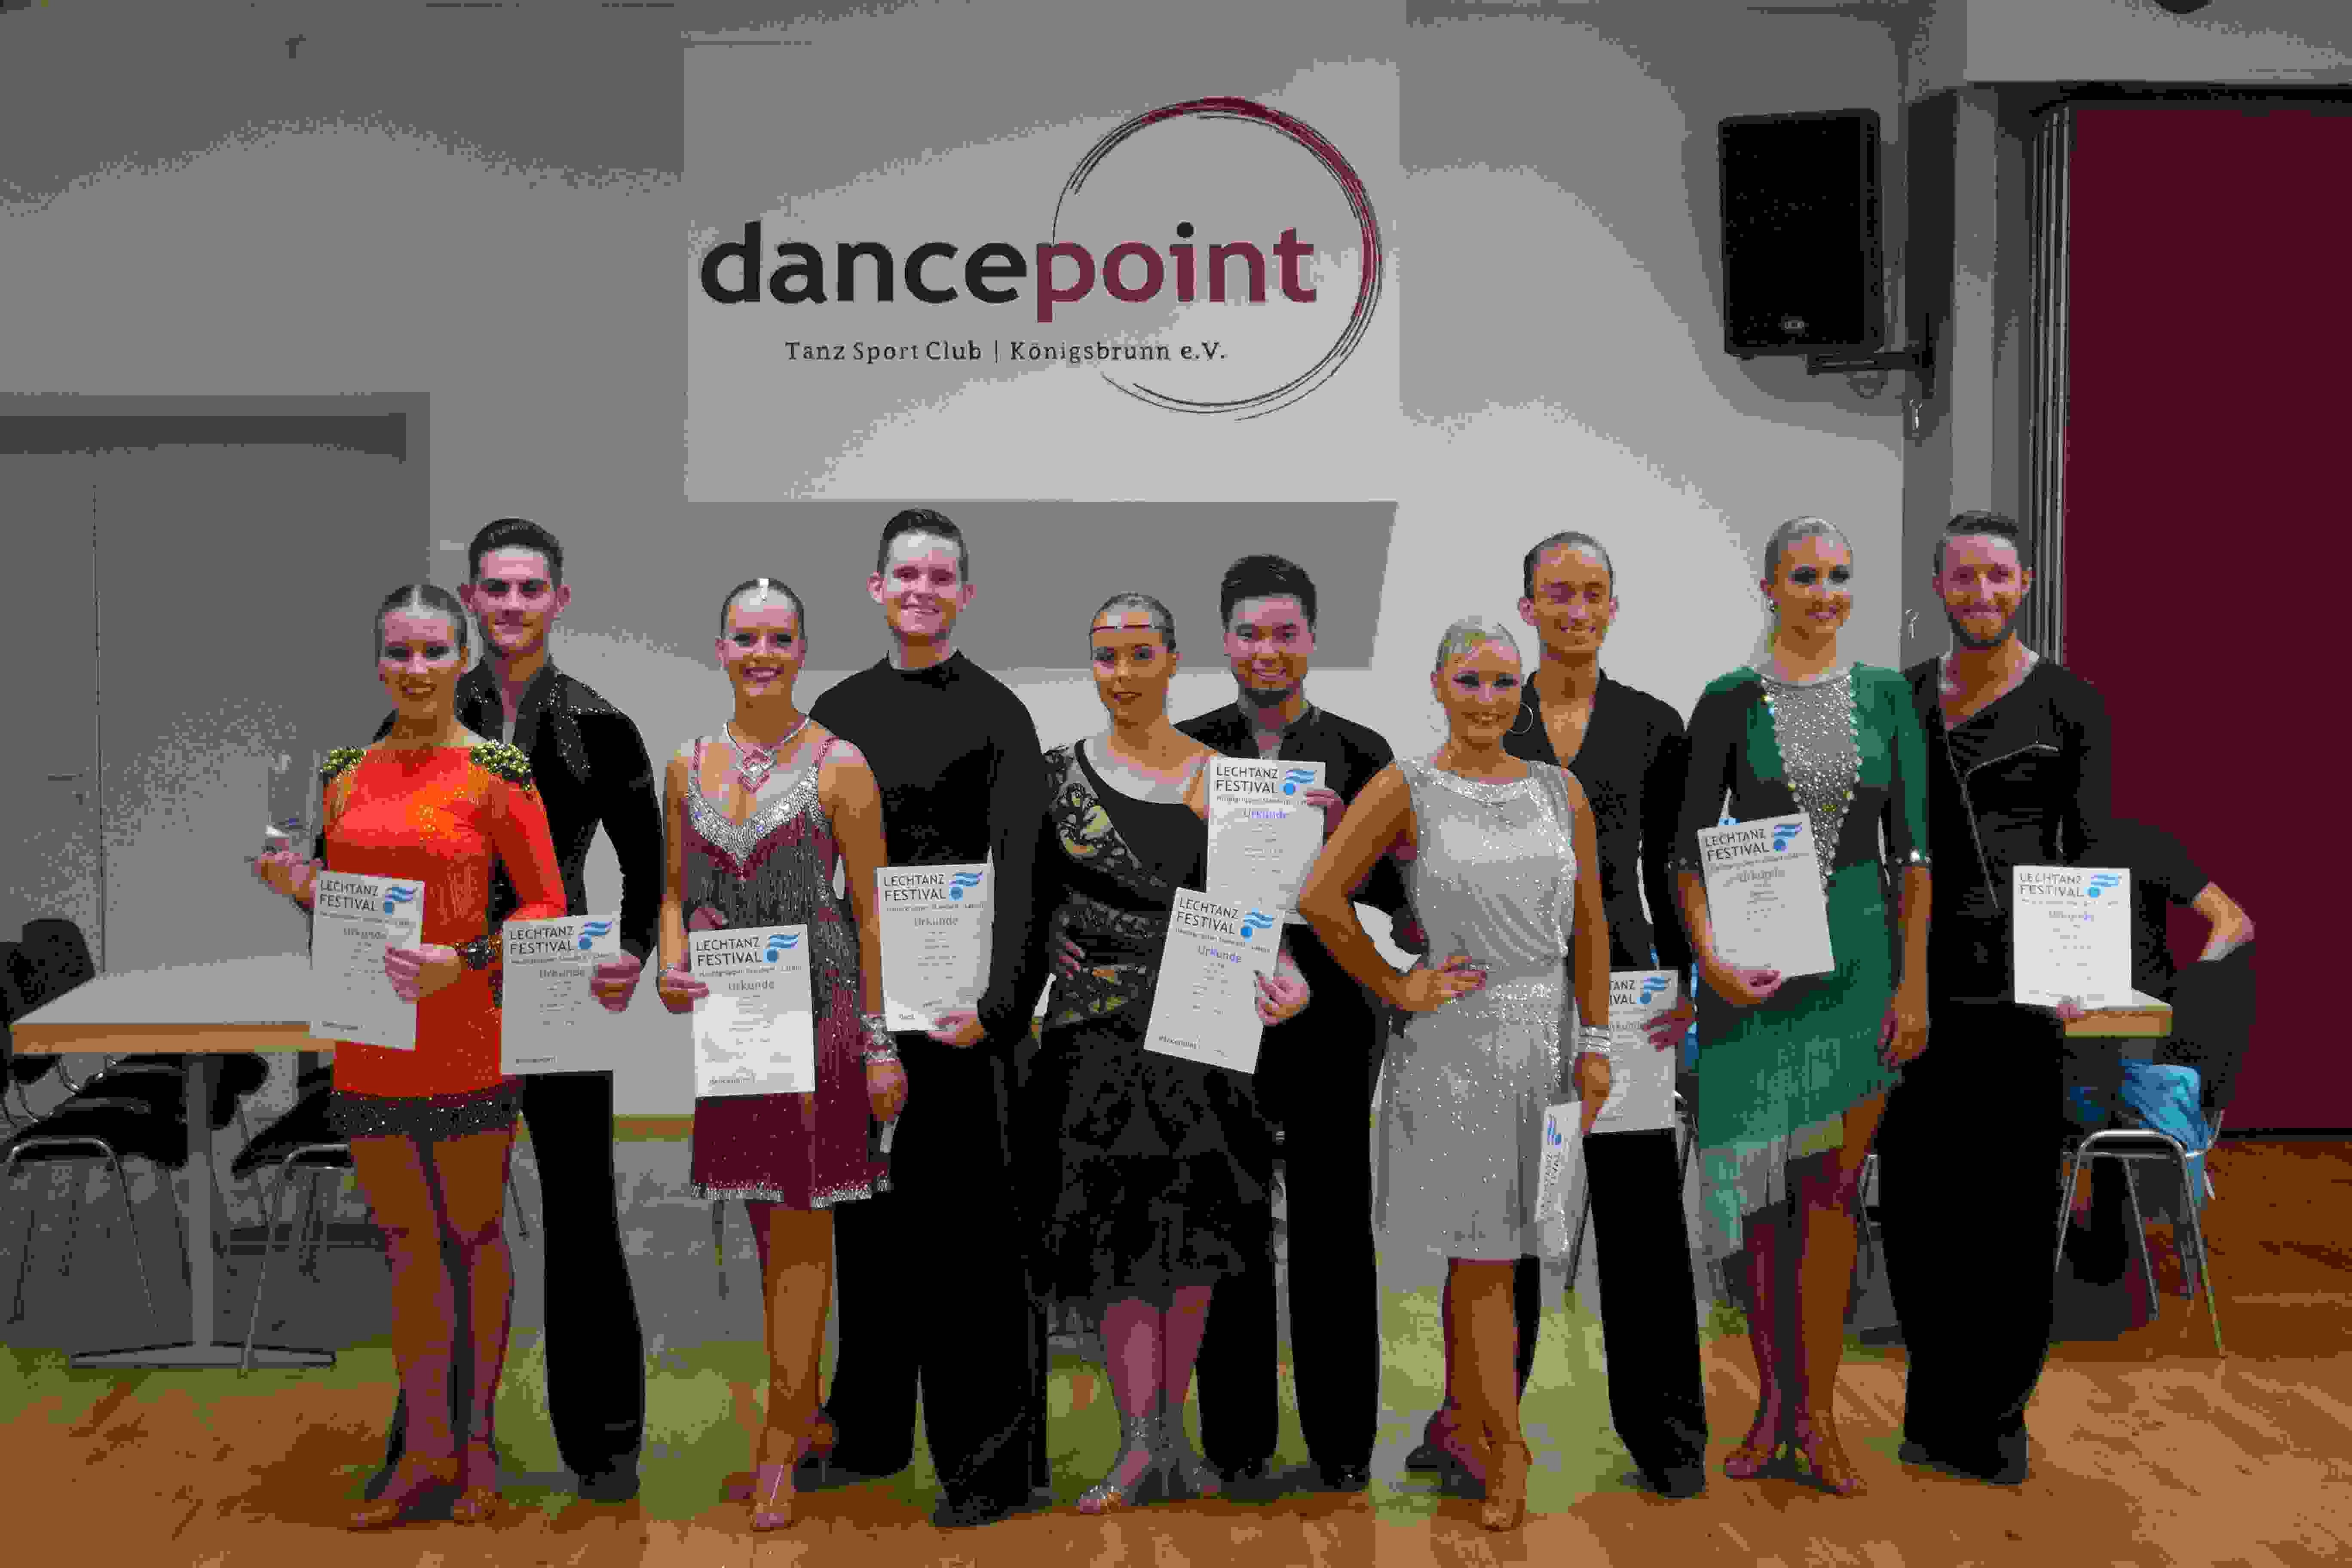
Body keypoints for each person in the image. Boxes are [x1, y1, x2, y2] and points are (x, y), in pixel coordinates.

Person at [1050, 553, 1406, 1492]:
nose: (1267, 650)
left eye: (1285, 633)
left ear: (1312, 639)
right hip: (1210, 1007)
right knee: (1225, 1221)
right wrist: (1059, 928)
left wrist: (1350, 845)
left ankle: (1341, 1445)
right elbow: (1130, 874)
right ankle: (1238, 1440)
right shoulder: (1194, 747)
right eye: (1249, 633)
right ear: (1224, 642)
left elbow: (1403, 902)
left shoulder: (1362, 751)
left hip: (1325, 1013)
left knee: (1331, 1229)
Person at [358, 518, 662, 1504]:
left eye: (532, 588)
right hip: (448, 993)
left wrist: (631, 949)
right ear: (472, 598)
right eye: (496, 587)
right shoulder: (422, 715)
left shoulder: (601, 723)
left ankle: (605, 1447)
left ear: (558, 600)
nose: (513, 605)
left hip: (558, 979)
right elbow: (374, 843)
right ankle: (431, 1441)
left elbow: (646, 856)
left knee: (580, 1213)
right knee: (447, 1227)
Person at [251, 584, 567, 1528]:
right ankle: (422, 1450)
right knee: (405, 1245)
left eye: (435, 651)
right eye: (400, 652)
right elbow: (343, 902)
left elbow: (547, 904)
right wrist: (298, 886)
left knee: (473, 1237)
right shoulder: (344, 771)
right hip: (371, 1042)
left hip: (467, 1034)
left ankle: (479, 1449)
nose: (417, 669)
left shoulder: (497, 770)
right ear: (378, 662)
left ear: (462, 659)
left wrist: (464, 958)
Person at [1403, 532, 1709, 1498]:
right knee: (1502, 1223)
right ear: (1527, 607)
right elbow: (1425, 849)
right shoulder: (1495, 704)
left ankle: (1669, 1439)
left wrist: (1689, 981)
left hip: (1626, 992)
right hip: (1510, 994)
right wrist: (1415, 952)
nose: (1576, 610)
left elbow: (1676, 863)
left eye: (1593, 593)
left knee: (1641, 1216)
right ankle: (1472, 1425)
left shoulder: (1654, 725)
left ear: (1615, 606)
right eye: (1557, 593)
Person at [1299, 616, 1614, 1533]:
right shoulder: (1408, 784)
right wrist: (1397, 982)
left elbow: (1590, 924)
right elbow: (1321, 896)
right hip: (1455, 1046)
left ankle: (1466, 1424)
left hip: (1546, 1036)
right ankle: (1508, 1448)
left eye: (1502, 682)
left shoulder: (1559, 790)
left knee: (1508, 1249)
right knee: (1482, 1259)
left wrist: (1597, 1040)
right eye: (1468, 681)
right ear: (1437, 686)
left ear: (1523, 692)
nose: (1486, 699)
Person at [1021, 592, 1311, 1515]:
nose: (1122, 674)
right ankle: (1134, 1441)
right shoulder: (1053, 776)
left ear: (1174, 662)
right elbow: (1027, 904)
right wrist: (1052, 932)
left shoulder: (1231, 782)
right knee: (1114, 1241)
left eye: (1140, 654)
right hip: (1094, 1041)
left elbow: (1265, 911)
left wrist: (1289, 978)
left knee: (1193, 1240)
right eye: (1106, 655)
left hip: (1204, 1033)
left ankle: (1174, 1438)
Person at [1672, 517, 1931, 1499]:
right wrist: (1711, 961)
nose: (1824, 592)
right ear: (1769, 586)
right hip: (1757, 978)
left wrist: (1911, 984)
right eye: (1804, 575)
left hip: (1857, 972)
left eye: (1837, 575)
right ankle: (1770, 1406)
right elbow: (1686, 851)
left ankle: (1816, 1416)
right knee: (1760, 1202)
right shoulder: (1727, 700)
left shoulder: (1886, 697)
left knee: (1828, 1192)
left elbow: (1914, 856)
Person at [803, 509, 1052, 1528]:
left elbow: (1025, 870)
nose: (921, 589)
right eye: (904, 574)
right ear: (876, 588)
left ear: (965, 594)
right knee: (868, 1231)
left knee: (968, 1248)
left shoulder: (998, 714)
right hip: (862, 1006)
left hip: (958, 1019)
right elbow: (810, 865)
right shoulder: (837, 709)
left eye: (940, 576)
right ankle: (867, 1431)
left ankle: (990, 1467)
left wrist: (998, 1009)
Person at [653, 578, 899, 1531]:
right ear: (720, 648)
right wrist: (671, 965)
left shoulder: (842, 765)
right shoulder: (685, 763)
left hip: (823, 1009)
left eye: (780, 638)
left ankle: (779, 1439)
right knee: (764, 1224)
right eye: (746, 637)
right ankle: (802, 1414)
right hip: (734, 1016)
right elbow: (674, 891)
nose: (762, 653)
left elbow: (873, 915)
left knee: (802, 1231)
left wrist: (880, 1044)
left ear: (802, 650)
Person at [1884, 509, 2111, 1485]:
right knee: (1919, 1204)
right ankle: (1932, 1409)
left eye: (1997, 577)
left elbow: (2090, 847)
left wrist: (2080, 970)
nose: (1980, 593)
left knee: (2013, 1213)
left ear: (2022, 585)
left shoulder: (2070, 703)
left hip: (2026, 986)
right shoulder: (1897, 699)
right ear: (1938, 586)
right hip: (1912, 981)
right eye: (1963, 577)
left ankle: (1994, 1418)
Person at [2063, 818, 2257, 1288]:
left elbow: (2235, 923)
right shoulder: (2025, 856)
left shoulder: (2136, 844)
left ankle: (2103, 1235)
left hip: (2135, 1051)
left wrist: (2195, 995)